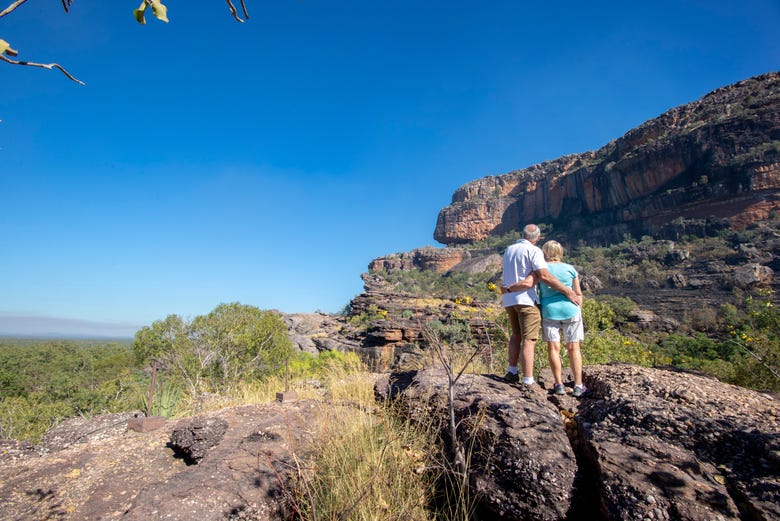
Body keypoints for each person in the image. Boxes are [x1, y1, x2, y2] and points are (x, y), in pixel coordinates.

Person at [500, 224, 581, 386]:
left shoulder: (509, 250)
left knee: (515, 335)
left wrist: (509, 289)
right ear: (537, 238)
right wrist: (568, 291)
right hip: (526, 301)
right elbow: (544, 276)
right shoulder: (534, 250)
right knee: (529, 340)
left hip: (509, 300)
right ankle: (528, 380)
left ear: (522, 235)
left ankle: (512, 371)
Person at [539, 240, 587, 397]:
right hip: (571, 310)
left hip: (549, 311)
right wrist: (578, 304)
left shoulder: (541, 270)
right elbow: (578, 293)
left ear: (544, 252)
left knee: (554, 348)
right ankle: (578, 385)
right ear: (560, 252)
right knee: (574, 347)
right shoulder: (570, 269)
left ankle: (558, 384)